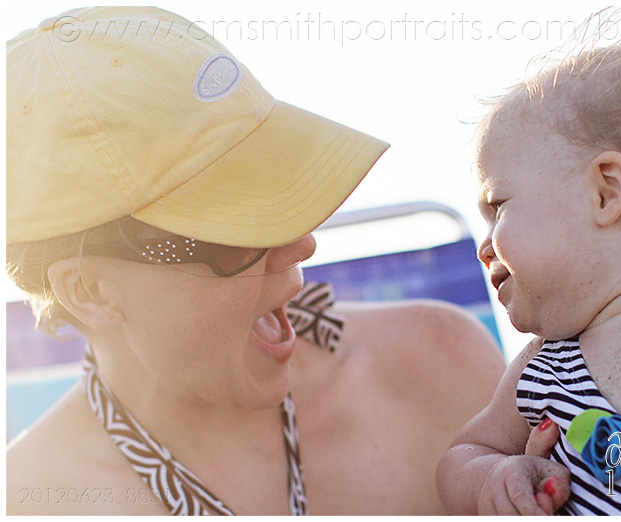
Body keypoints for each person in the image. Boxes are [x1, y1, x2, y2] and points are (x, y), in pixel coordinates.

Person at [6, 6, 506, 515]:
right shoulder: (34, 502)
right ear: (89, 291)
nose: (300, 247)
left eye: (276, 191)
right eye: (233, 232)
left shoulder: (437, 367)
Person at [435, 36, 621, 515]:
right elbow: (463, 457)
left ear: (606, 192)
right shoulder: (547, 364)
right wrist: (494, 477)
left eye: (498, 207)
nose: (484, 248)